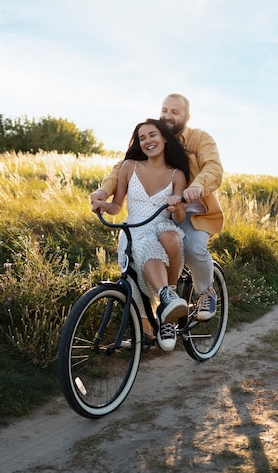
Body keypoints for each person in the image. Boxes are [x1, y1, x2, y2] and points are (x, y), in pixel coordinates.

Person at [91, 94, 224, 321]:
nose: (167, 116)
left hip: (190, 212)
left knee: (191, 247)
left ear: (187, 117)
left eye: (174, 112)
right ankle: (150, 320)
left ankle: (206, 291)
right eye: (165, 110)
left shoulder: (200, 139)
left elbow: (213, 167)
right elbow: (122, 167)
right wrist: (104, 191)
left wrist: (197, 187)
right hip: (156, 214)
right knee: (139, 257)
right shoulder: (153, 138)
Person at [91, 119, 190, 352]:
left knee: (162, 241)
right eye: (142, 137)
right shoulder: (129, 167)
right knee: (135, 274)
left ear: (165, 138)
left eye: (152, 135)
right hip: (132, 229)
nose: (147, 141)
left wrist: (177, 207)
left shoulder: (177, 175)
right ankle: (152, 324)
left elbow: (180, 219)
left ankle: (167, 305)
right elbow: (117, 206)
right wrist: (104, 205)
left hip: (161, 228)